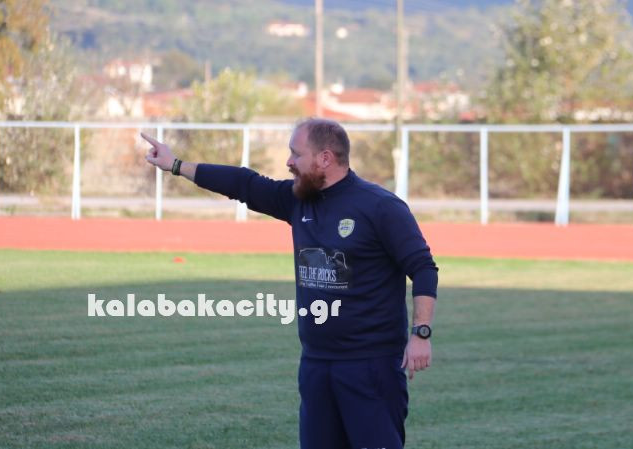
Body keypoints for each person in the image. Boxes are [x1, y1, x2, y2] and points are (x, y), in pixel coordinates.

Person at [142, 118, 438, 449]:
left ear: (325, 158)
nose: (289, 162)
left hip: (370, 366)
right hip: (316, 363)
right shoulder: (297, 199)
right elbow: (244, 183)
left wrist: (421, 333)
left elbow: (423, 267)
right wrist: (176, 165)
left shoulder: (380, 206)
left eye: (296, 154)